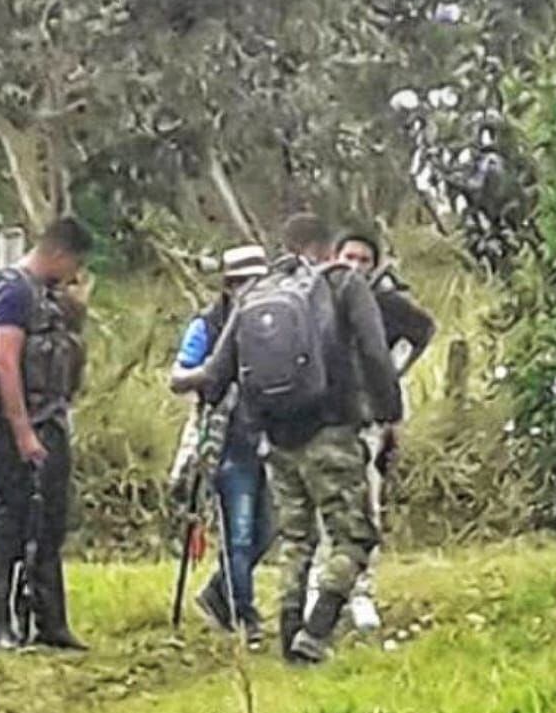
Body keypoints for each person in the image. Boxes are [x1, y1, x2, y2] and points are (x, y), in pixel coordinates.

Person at [175, 213, 402, 663]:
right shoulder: (344, 285)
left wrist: (185, 381)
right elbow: (376, 352)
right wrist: (387, 413)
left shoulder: (255, 293)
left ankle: (288, 636)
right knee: (354, 538)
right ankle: (316, 633)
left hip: (276, 439)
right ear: (326, 249)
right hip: (333, 429)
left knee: (297, 540)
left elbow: (216, 375)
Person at [0, 216, 92, 651]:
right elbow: (4, 363)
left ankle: (51, 620)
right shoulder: (12, 290)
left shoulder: (50, 296)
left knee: (50, 523)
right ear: (60, 254)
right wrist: (23, 431)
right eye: (75, 264)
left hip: (53, 417)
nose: (76, 275)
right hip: (17, 426)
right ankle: (0, 624)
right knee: (10, 523)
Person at [334, 226, 438, 631]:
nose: (356, 266)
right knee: (324, 512)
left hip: (370, 421)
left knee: (367, 507)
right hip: (321, 419)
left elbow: (424, 330)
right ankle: (323, 594)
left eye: (364, 259)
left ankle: (361, 592)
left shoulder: (386, 303)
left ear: (376, 265)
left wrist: (395, 374)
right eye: (349, 258)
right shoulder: (320, 296)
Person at [170, 245, 274, 649]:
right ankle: (244, 614)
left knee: (268, 529)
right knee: (241, 531)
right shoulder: (207, 327)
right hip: (227, 439)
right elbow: (177, 377)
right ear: (229, 287)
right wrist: (213, 372)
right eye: (245, 282)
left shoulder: (277, 322)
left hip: (270, 436)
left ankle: (220, 593)